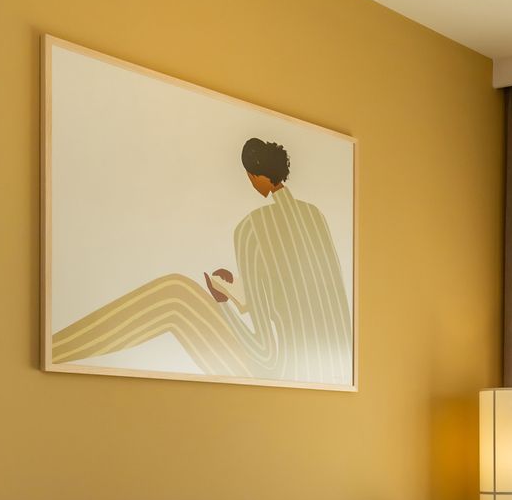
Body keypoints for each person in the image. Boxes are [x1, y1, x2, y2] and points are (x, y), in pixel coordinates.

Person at [50, 137, 353, 384]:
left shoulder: (251, 229)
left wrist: (222, 303)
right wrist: (240, 294)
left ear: (255, 176)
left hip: (283, 373)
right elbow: (298, 296)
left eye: (249, 177)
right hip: (335, 375)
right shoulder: (316, 217)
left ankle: (52, 352)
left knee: (174, 295)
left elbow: (265, 353)